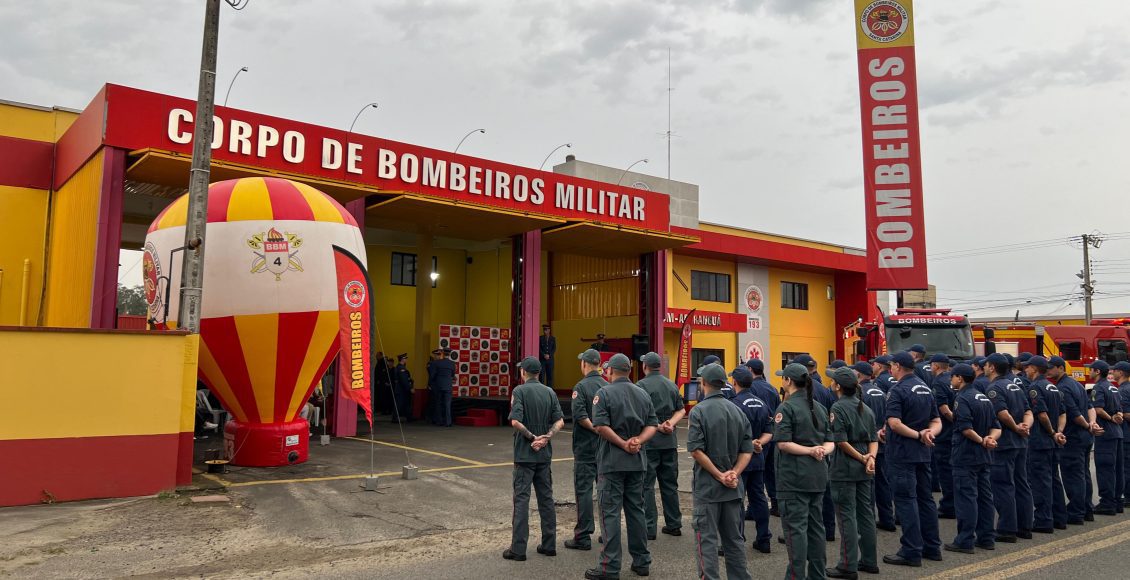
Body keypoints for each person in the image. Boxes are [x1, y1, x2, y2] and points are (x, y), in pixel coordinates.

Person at [585, 353, 658, 580]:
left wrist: (622, 443)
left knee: (610, 514)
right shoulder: (642, 393)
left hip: (612, 462)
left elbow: (600, 426)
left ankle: (609, 567)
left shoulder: (604, 393)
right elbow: (652, 425)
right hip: (637, 463)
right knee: (636, 511)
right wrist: (638, 441)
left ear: (611, 371)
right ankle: (641, 561)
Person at [688, 363, 756, 580]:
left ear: (703, 383)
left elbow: (696, 450)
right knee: (734, 540)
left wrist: (719, 475)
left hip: (708, 488)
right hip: (733, 488)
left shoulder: (698, 411)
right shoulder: (737, 411)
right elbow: (747, 450)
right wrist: (733, 473)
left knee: (706, 540)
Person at [773, 362, 834, 579]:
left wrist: (810, 451)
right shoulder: (818, 407)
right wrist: (820, 451)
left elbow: (783, 443)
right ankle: (818, 575)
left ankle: (796, 576)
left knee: (795, 531)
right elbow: (830, 442)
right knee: (816, 528)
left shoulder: (786, 407)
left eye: (783, 378)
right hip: (817, 476)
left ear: (788, 381)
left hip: (794, 478)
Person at [882, 351, 942, 567]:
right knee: (925, 499)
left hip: (903, 454)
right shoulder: (925, 388)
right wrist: (929, 434)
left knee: (906, 501)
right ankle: (932, 547)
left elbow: (895, 423)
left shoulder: (898, 389)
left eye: (891, 365)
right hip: (923, 454)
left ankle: (911, 551)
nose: (890, 368)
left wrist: (918, 435)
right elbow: (936, 420)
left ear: (898, 366)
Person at [503, 357, 565, 562]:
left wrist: (532, 437)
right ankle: (549, 545)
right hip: (544, 455)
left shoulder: (519, 391)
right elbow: (560, 421)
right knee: (546, 499)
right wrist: (546, 437)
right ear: (538, 373)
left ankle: (518, 549)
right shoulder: (549, 392)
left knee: (521, 500)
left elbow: (515, 421)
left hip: (524, 454)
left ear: (524, 373)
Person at [827, 367, 880, 579]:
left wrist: (861, 457)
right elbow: (873, 439)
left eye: (833, 381)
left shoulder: (837, 407)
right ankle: (869, 560)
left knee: (847, 516)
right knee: (865, 514)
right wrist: (871, 458)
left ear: (839, 386)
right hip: (864, 467)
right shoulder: (864, 408)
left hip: (845, 468)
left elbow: (840, 441)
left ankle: (847, 565)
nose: (831, 383)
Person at [944, 363, 1000, 554]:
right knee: (985, 498)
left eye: (953, 376)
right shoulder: (983, 397)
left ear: (960, 378)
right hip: (984, 456)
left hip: (966, 455)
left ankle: (965, 540)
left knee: (966, 498)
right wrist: (990, 439)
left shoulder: (962, 398)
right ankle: (986, 538)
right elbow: (996, 426)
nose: (951, 379)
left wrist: (982, 441)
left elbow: (966, 428)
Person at [984, 352, 1034, 542]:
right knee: (1021, 483)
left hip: (1005, 443)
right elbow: (1029, 411)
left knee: (1003, 485)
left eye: (987, 365)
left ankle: (1007, 529)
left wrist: (1015, 427)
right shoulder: (1016, 385)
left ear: (993, 368)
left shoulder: (994, 388)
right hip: (1021, 441)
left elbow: (1002, 413)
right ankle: (1025, 526)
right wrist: (1025, 427)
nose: (985, 367)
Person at [637, 351, 685, 539]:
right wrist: (670, 424)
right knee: (669, 484)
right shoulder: (671, 385)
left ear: (645, 366)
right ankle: (674, 524)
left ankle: (649, 528)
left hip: (649, 443)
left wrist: (656, 425)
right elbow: (681, 410)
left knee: (647, 486)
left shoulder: (640, 386)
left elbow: (639, 414)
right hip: (669, 442)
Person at [566, 349, 609, 551]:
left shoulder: (580, 387)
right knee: (605, 491)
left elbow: (580, 415)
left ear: (584, 364)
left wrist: (595, 428)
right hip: (605, 448)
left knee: (583, 491)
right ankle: (607, 532)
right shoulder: (607, 386)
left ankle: (583, 535)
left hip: (585, 448)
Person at [1048, 355, 1098, 525]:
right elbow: (1090, 407)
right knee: (1083, 474)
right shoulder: (1076, 384)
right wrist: (1091, 424)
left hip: (1074, 436)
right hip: (1085, 436)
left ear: (1061, 368)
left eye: (1051, 367)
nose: (1048, 370)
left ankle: (1076, 512)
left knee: (1072, 475)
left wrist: (1086, 425)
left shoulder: (1062, 388)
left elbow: (1073, 413)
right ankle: (1086, 509)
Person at [729, 365, 773, 553]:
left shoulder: (733, 405)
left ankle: (737, 540)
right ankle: (764, 539)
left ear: (735, 383)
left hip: (740, 459)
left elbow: (731, 435)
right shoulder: (761, 403)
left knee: (737, 500)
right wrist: (758, 443)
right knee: (759, 499)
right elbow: (769, 431)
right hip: (758, 457)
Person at [794, 353, 838, 541]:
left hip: (803, 446)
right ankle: (828, 529)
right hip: (824, 444)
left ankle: (805, 530)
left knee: (802, 494)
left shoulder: (799, 394)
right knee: (824, 489)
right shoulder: (825, 391)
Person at [1023, 356, 1066, 533]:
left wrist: (1051, 432)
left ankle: (1043, 520)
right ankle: (1059, 517)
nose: (1025, 370)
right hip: (1053, 441)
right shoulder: (1053, 387)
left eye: (1028, 367)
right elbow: (1063, 413)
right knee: (1054, 479)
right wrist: (1058, 432)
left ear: (1034, 368)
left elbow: (1041, 414)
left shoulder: (1035, 387)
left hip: (1040, 441)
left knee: (1041, 482)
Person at [856, 361, 894, 533]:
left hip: (867, 443)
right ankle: (887, 518)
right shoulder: (880, 391)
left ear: (858, 374)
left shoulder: (861, 392)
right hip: (882, 441)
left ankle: (868, 520)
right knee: (883, 482)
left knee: (868, 484)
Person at [1087, 360, 1124, 515]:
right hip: (1117, 433)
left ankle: (1107, 503)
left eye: (1091, 370)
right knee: (1116, 468)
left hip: (1105, 433)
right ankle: (1117, 501)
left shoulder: (1099, 387)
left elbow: (1098, 409)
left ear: (1097, 371)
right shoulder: (1113, 388)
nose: (1089, 372)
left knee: (1105, 469)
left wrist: (1110, 418)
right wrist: (1117, 417)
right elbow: (1120, 410)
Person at [746, 358, 782, 516]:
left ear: (750, 370)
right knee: (771, 471)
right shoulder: (772, 388)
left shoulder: (750, 388)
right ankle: (775, 503)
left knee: (756, 474)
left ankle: (754, 508)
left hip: (756, 438)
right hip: (772, 435)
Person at [929, 353, 957, 519]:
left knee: (946, 472)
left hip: (945, 433)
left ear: (936, 366)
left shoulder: (938, 382)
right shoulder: (952, 379)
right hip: (955, 433)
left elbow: (944, 408)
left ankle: (949, 506)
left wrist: (956, 421)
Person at [1114, 361, 1130, 508]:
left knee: (1126, 467)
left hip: (1126, 434)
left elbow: (1126, 413)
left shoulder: (1123, 391)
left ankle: (1128, 497)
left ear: (1121, 373)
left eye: (1116, 370)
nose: (1113, 372)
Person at [428, 348, 456, 427]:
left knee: (438, 403)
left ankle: (439, 421)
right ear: (449, 354)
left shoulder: (436, 363)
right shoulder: (452, 363)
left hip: (438, 385)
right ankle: (448, 422)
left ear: (442, 353)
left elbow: (432, 375)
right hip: (448, 386)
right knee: (447, 404)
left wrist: (430, 384)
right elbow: (452, 375)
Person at [392, 353, 413, 423]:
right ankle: (395, 418)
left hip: (402, 389)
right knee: (399, 404)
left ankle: (409, 417)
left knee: (406, 403)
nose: (406, 360)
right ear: (402, 359)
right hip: (401, 389)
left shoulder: (400, 367)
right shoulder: (401, 368)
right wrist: (410, 388)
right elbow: (404, 380)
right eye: (405, 358)